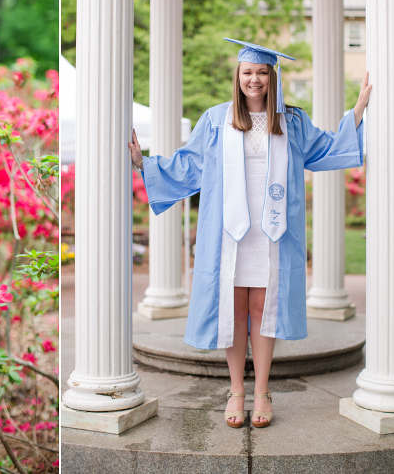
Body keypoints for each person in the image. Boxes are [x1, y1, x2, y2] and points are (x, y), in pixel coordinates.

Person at [128, 38, 372, 429]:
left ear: (271, 76)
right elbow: (189, 165)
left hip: (272, 233)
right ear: (237, 77)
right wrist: (144, 162)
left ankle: (262, 392)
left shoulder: (291, 121)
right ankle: (236, 391)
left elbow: (327, 148)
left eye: (262, 72)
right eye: (247, 72)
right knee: (233, 309)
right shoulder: (215, 120)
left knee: (262, 310)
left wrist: (358, 110)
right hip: (228, 232)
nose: (254, 79)